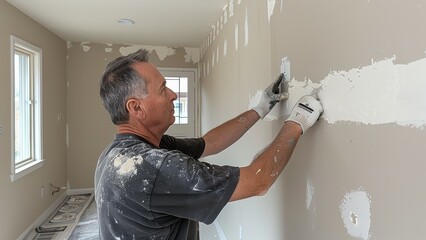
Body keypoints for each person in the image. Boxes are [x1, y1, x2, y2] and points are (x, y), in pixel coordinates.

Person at [95, 49, 323, 240]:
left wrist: (260, 109)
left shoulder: (120, 154)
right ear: (136, 108)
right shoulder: (152, 167)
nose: (173, 95)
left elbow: (209, 143)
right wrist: (296, 122)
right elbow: (257, 181)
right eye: (163, 89)